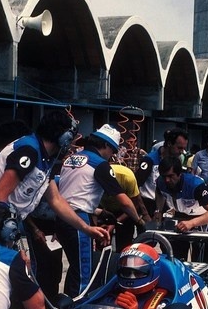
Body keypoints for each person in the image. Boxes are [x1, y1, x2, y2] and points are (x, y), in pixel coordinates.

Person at [0, 109, 108, 250]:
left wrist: (86, 228)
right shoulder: (29, 151)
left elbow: (56, 200)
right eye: (71, 140)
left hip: (5, 223)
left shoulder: (45, 160)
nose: (70, 146)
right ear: (64, 137)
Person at [56, 124, 145, 297]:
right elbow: (125, 201)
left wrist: (98, 212)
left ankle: (66, 304)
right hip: (79, 221)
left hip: (62, 218)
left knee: (75, 268)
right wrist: (139, 222)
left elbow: (72, 193)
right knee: (84, 272)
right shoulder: (100, 165)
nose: (112, 155)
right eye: (112, 150)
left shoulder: (72, 159)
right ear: (105, 145)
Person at [155, 155, 208, 259]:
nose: (167, 180)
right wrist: (158, 210)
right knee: (177, 256)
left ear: (179, 174)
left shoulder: (195, 184)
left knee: (199, 256)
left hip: (201, 218)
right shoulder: (160, 181)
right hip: (180, 216)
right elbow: (159, 192)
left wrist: (192, 223)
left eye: (171, 176)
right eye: (164, 176)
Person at [98, 162, 151, 251]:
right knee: (102, 241)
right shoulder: (95, 177)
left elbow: (133, 204)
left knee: (124, 245)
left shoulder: (127, 177)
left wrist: (115, 222)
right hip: (103, 209)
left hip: (125, 211)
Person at [136, 127, 189, 216]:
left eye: (183, 148)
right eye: (179, 148)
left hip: (167, 207)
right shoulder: (150, 160)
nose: (182, 152)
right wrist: (144, 212)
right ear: (169, 144)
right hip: (148, 205)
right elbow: (135, 186)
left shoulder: (177, 160)